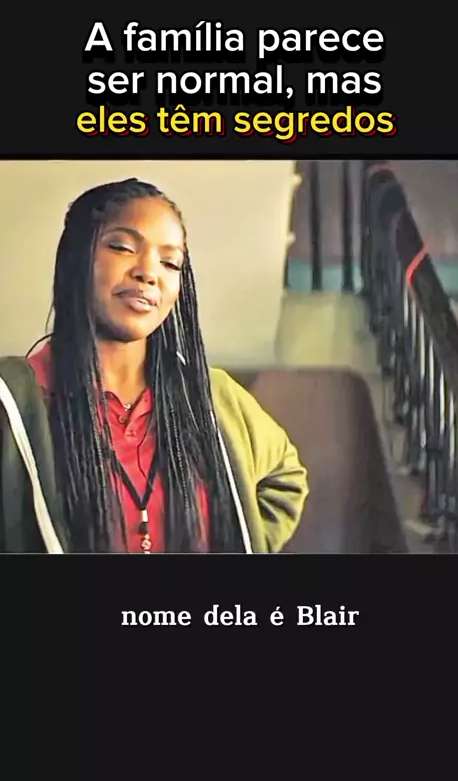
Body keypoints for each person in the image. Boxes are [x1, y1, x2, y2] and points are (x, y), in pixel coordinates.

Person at [0, 178, 309, 554]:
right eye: (122, 247)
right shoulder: (13, 403)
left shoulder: (211, 397)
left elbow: (285, 479)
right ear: (76, 259)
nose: (148, 273)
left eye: (170, 262)